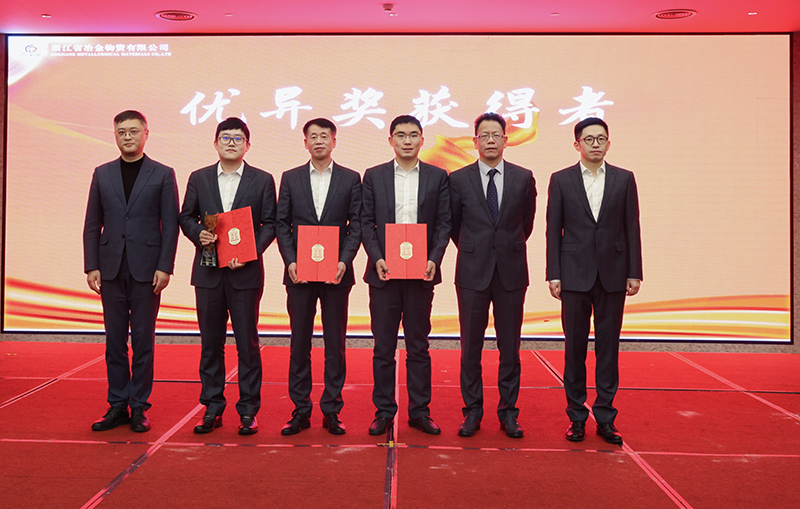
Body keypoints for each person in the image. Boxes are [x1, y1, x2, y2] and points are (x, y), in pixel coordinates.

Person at [546, 117, 642, 445]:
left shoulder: (624, 179)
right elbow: (553, 230)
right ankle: (576, 417)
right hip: (573, 275)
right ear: (577, 145)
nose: (596, 144)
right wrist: (554, 273)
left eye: (601, 139)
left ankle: (605, 418)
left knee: (608, 349)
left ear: (609, 143)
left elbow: (632, 227)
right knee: (574, 350)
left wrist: (634, 271)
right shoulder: (561, 180)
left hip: (613, 275)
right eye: (589, 139)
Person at [179, 117, 276, 436]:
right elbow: (186, 216)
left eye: (237, 138)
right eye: (225, 137)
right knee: (211, 343)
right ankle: (212, 407)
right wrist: (198, 234)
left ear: (248, 145)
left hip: (245, 274)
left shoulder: (262, 180)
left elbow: (270, 224)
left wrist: (249, 252)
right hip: (208, 272)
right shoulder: (199, 177)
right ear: (215, 143)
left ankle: (248, 410)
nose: (231, 143)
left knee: (247, 344)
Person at [83, 110, 180, 433]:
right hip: (110, 267)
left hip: (147, 270)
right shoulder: (102, 173)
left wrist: (165, 266)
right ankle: (116, 405)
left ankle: (139, 406)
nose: (128, 136)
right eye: (122, 131)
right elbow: (91, 223)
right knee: (114, 340)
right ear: (115, 135)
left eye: (134, 131)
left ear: (146, 134)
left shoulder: (163, 174)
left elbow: (171, 226)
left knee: (142, 340)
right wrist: (91, 265)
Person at [361, 115, 451, 436]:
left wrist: (434, 259)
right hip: (384, 274)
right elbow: (365, 222)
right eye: (401, 135)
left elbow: (444, 223)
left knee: (418, 346)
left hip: (420, 274)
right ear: (391, 140)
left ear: (422, 140)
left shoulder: (437, 176)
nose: (407, 141)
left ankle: (419, 412)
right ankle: (384, 411)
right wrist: (377, 257)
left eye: (413, 135)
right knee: (383, 347)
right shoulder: (374, 176)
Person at [449, 112, 536, 439]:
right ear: (475, 141)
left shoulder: (523, 178)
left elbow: (525, 223)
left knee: (509, 347)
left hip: (511, 273)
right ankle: (472, 411)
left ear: (505, 140)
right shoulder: (458, 179)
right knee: (470, 347)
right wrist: (476, 248)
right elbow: (454, 226)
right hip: (472, 273)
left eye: (495, 135)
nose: (489, 140)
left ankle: (508, 413)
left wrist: (504, 247)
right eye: (483, 135)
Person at [276, 118, 362, 436]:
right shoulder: (290, 178)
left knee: (334, 344)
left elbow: (357, 225)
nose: (319, 141)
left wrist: (344, 261)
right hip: (300, 274)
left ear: (334, 141)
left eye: (324, 136)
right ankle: (300, 410)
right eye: (312, 136)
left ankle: (332, 410)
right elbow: (281, 224)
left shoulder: (351, 178)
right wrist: (290, 261)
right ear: (305, 143)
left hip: (336, 274)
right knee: (299, 342)